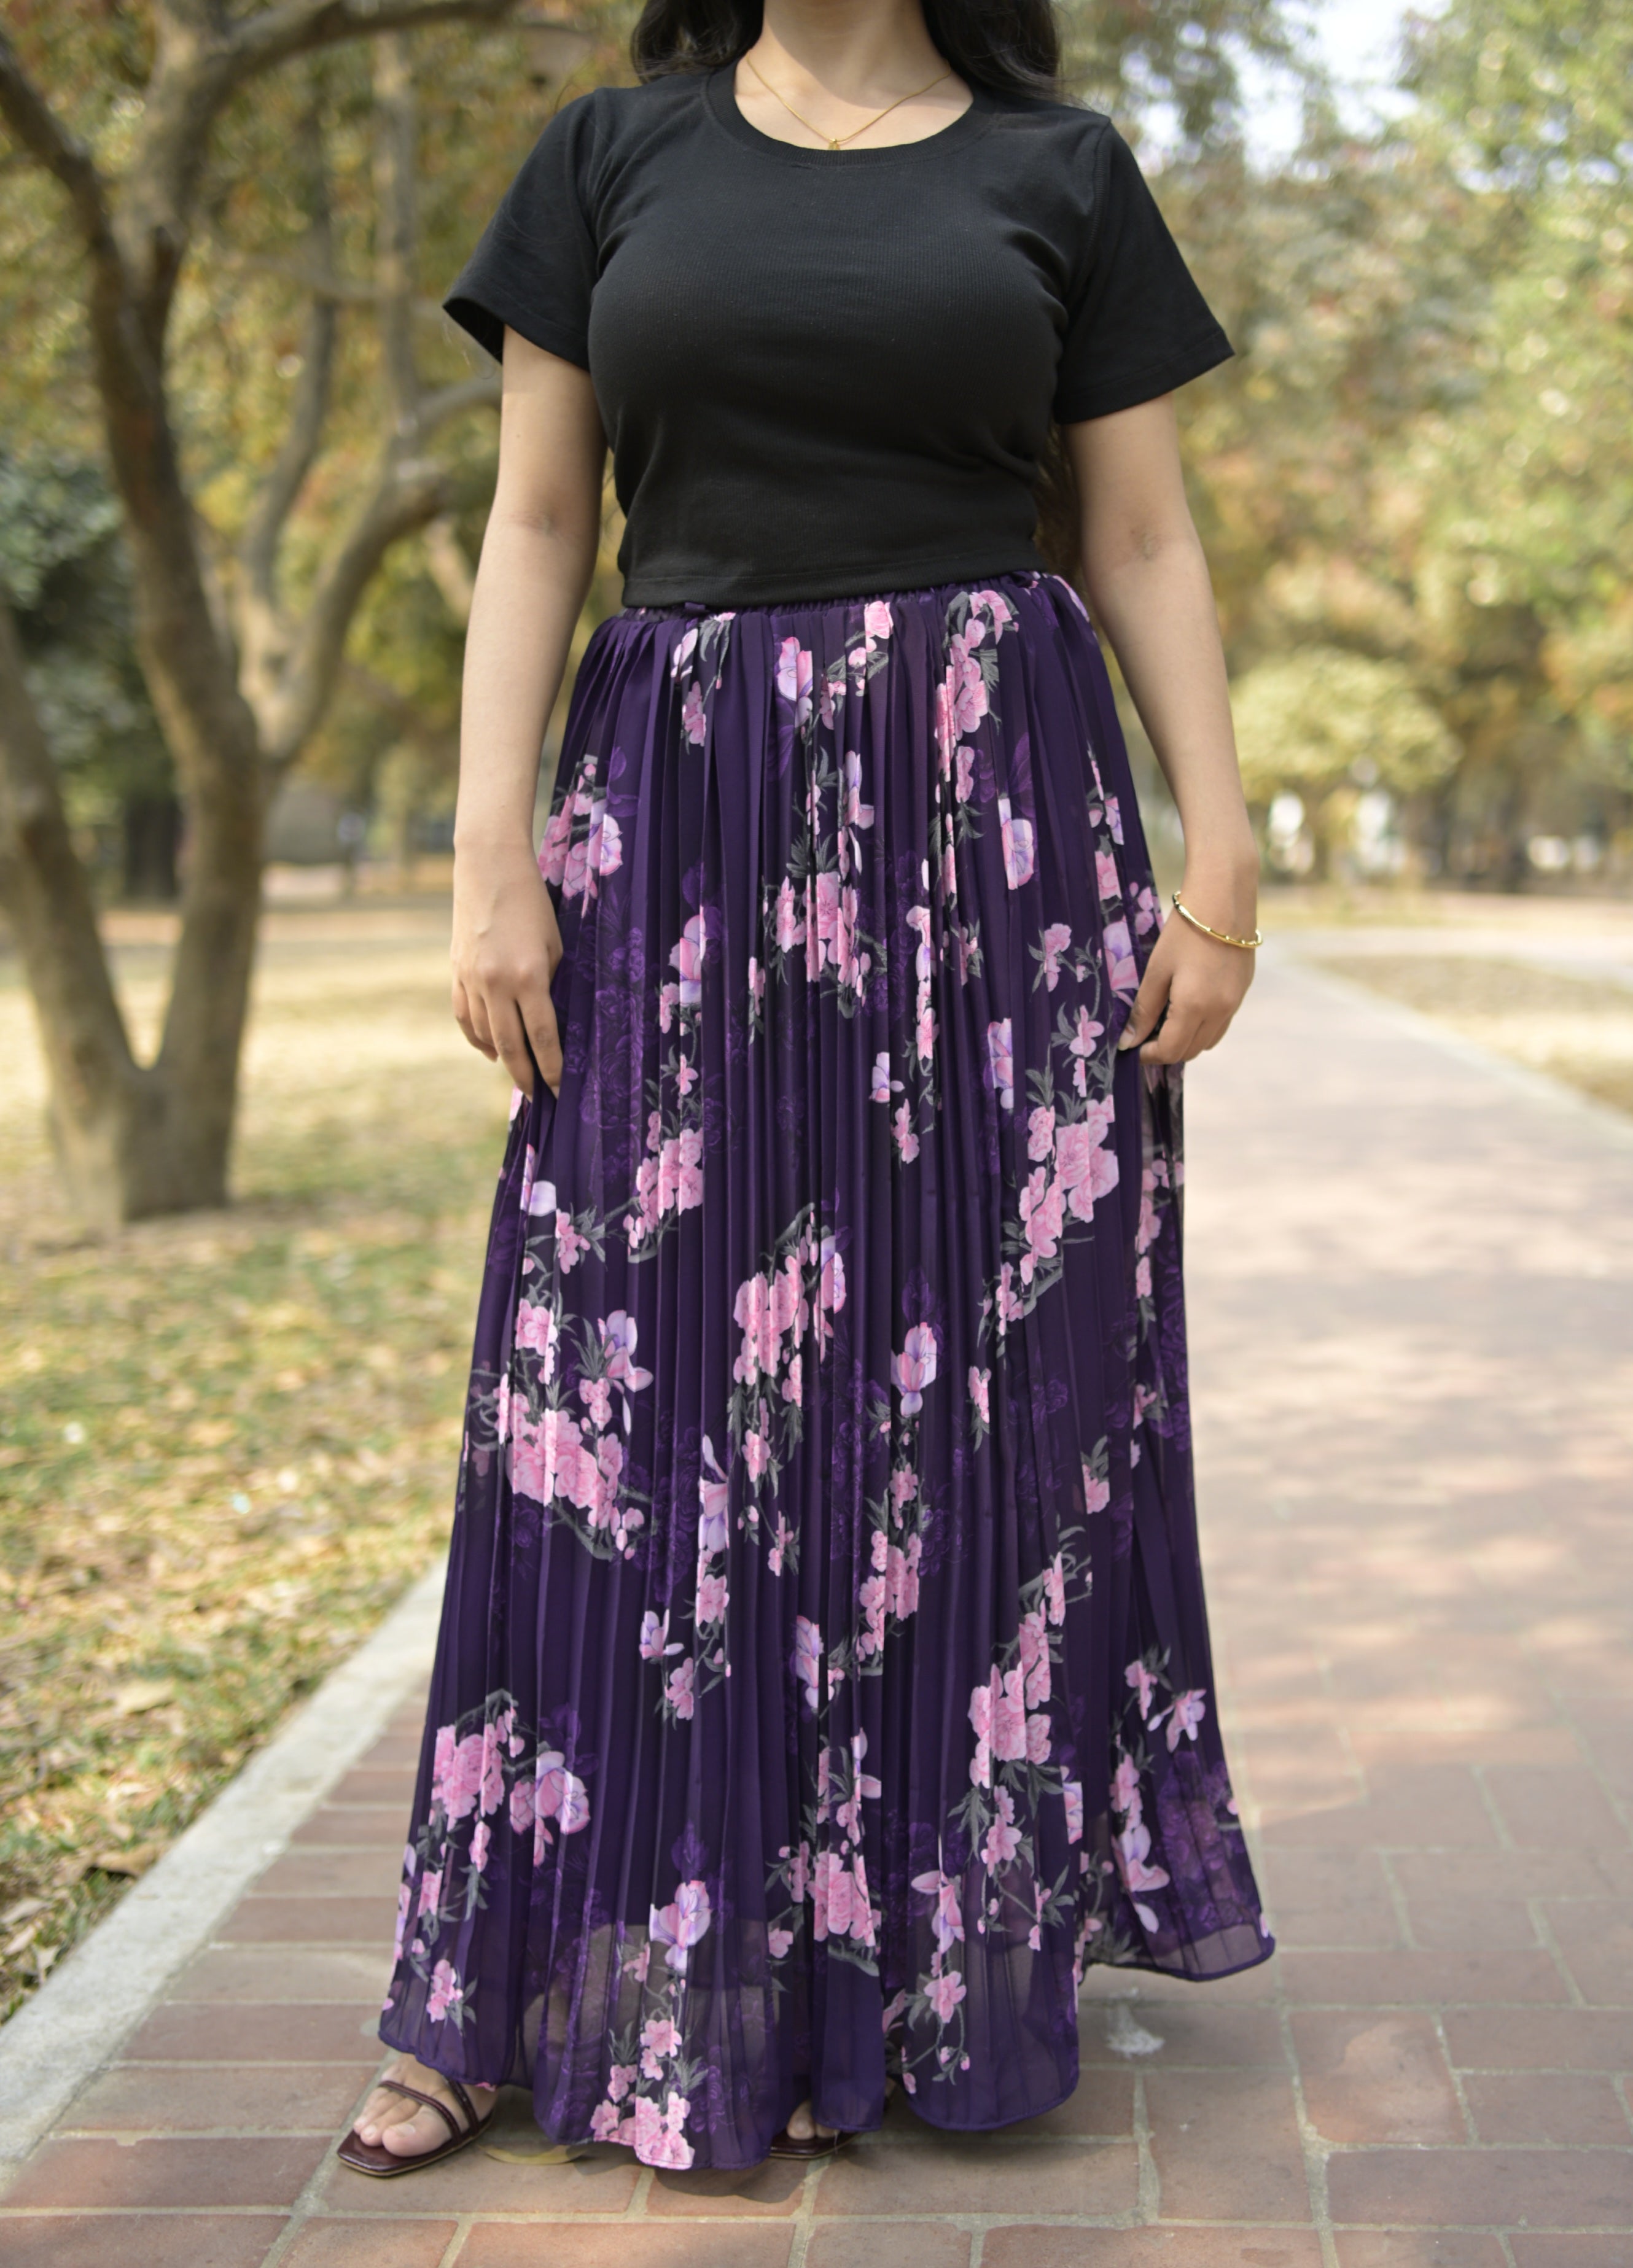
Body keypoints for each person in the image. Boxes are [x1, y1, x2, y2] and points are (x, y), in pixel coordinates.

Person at [338, 0, 1271, 2180]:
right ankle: (508, 1981)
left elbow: (1138, 536)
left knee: (986, 1414)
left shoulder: (1058, 171)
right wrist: (489, 863)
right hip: (675, 824)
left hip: (996, 834)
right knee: (613, 1400)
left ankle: (929, 1979)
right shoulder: (607, 158)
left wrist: (1218, 852)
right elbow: (538, 518)